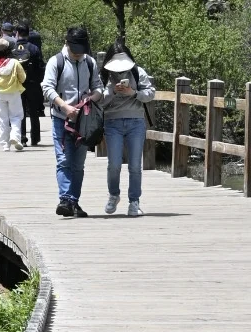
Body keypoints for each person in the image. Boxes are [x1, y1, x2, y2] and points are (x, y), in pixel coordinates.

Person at [42, 26, 102, 218]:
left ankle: (73, 202)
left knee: (78, 164)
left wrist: (90, 100)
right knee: (64, 161)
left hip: (83, 121)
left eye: (81, 50)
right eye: (75, 50)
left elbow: (98, 87)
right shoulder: (56, 62)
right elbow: (47, 88)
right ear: (66, 43)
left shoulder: (90, 62)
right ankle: (65, 199)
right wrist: (65, 107)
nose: (78, 54)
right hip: (62, 120)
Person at [100, 43, 156, 217]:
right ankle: (114, 195)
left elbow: (150, 94)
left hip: (136, 122)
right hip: (112, 122)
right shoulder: (104, 75)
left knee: (135, 165)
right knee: (114, 164)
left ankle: (134, 201)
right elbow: (99, 101)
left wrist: (133, 93)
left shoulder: (138, 72)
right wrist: (112, 91)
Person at [0, 37, 26, 151]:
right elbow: (23, 78)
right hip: (14, 92)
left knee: (2, 118)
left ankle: (5, 144)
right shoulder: (15, 63)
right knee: (16, 116)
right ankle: (15, 137)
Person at [13, 20, 45, 147]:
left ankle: (22, 137)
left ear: (17, 33)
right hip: (32, 83)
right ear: (28, 34)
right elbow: (41, 67)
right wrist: (38, 81)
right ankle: (35, 138)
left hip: (17, 84)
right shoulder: (34, 48)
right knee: (33, 111)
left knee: (19, 111)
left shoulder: (12, 49)